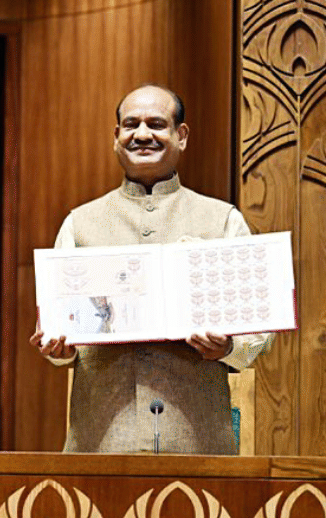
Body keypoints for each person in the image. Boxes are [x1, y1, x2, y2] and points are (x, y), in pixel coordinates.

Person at [31, 85, 272, 454]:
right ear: (116, 137)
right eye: (131, 125)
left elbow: (257, 332)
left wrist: (227, 346)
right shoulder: (80, 223)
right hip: (102, 441)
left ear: (181, 135)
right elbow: (59, 331)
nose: (142, 134)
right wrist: (58, 350)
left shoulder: (222, 220)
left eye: (156, 124)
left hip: (197, 440)